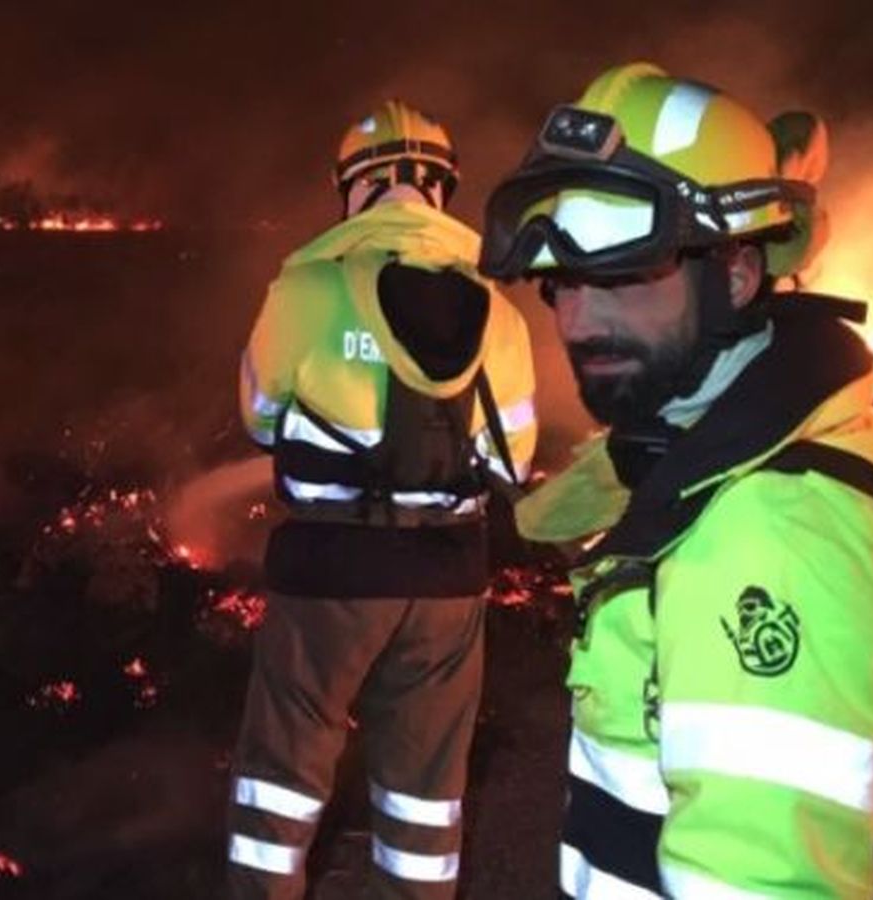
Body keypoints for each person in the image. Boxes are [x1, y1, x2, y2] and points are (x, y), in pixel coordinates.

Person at [479, 61, 873, 898]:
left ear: (737, 273)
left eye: (625, 275)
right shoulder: (718, 465)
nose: (576, 320)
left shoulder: (769, 535)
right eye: (561, 282)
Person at [227, 99, 537, 900]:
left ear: (354, 188)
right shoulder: (497, 309)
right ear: (439, 189)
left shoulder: (304, 289)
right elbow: (516, 460)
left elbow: (258, 420)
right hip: (445, 582)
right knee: (425, 793)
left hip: (327, 574)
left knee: (283, 775)